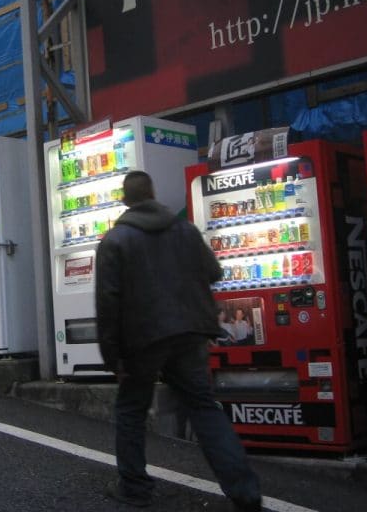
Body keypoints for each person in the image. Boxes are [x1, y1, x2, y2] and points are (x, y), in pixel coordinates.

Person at [95, 170, 262, 511]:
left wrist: (113, 358)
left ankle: (134, 488)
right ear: (154, 194)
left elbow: (108, 303)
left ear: (126, 200)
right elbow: (214, 273)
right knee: (203, 407)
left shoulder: (115, 241)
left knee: (131, 410)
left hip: (143, 339)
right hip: (191, 331)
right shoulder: (185, 230)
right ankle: (245, 492)